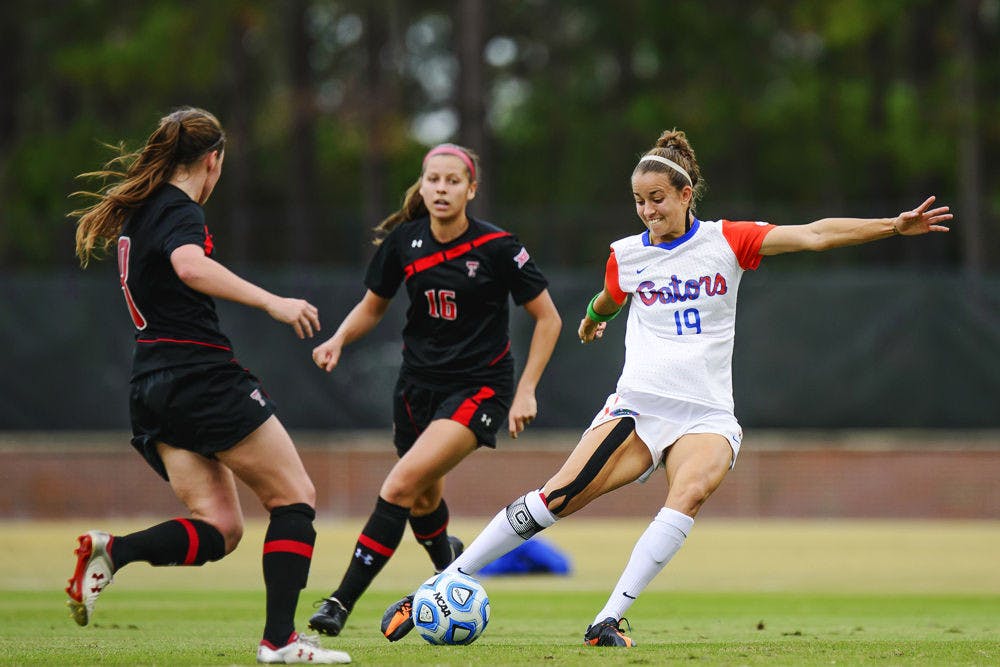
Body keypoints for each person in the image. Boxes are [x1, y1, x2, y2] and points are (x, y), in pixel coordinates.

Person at [381, 128, 952, 647]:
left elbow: (813, 236)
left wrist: (891, 226)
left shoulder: (728, 241)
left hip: (706, 412)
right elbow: (607, 298)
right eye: (638, 201)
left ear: (685, 195)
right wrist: (590, 317)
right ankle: (444, 579)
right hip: (639, 407)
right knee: (557, 498)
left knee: (690, 493)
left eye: (657, 198)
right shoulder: (626, 256)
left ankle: (606, 619)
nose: (647, 210)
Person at [66, 107, 350, 665]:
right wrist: (273, 300)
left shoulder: (141, 213)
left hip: (151, 385)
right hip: (200, 376)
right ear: (212, 160)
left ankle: (113, 552)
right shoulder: (178, 209)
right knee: (295, 497)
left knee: (220, 528)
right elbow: (190, 267)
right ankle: (281, 642)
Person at [307, 143, 562, 639]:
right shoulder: (404, 242)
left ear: (471, 189)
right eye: (433, 180)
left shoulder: (499, 248)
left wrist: (526, 390)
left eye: (452, 181)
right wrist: (338, 337)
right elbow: (372, 306)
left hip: (479, 390)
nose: (441, 189)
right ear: (421, 186)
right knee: (422, 500)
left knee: (400, 485)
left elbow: (548, 318)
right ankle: (450, 566)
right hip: (415, 389)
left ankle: (339, 601)